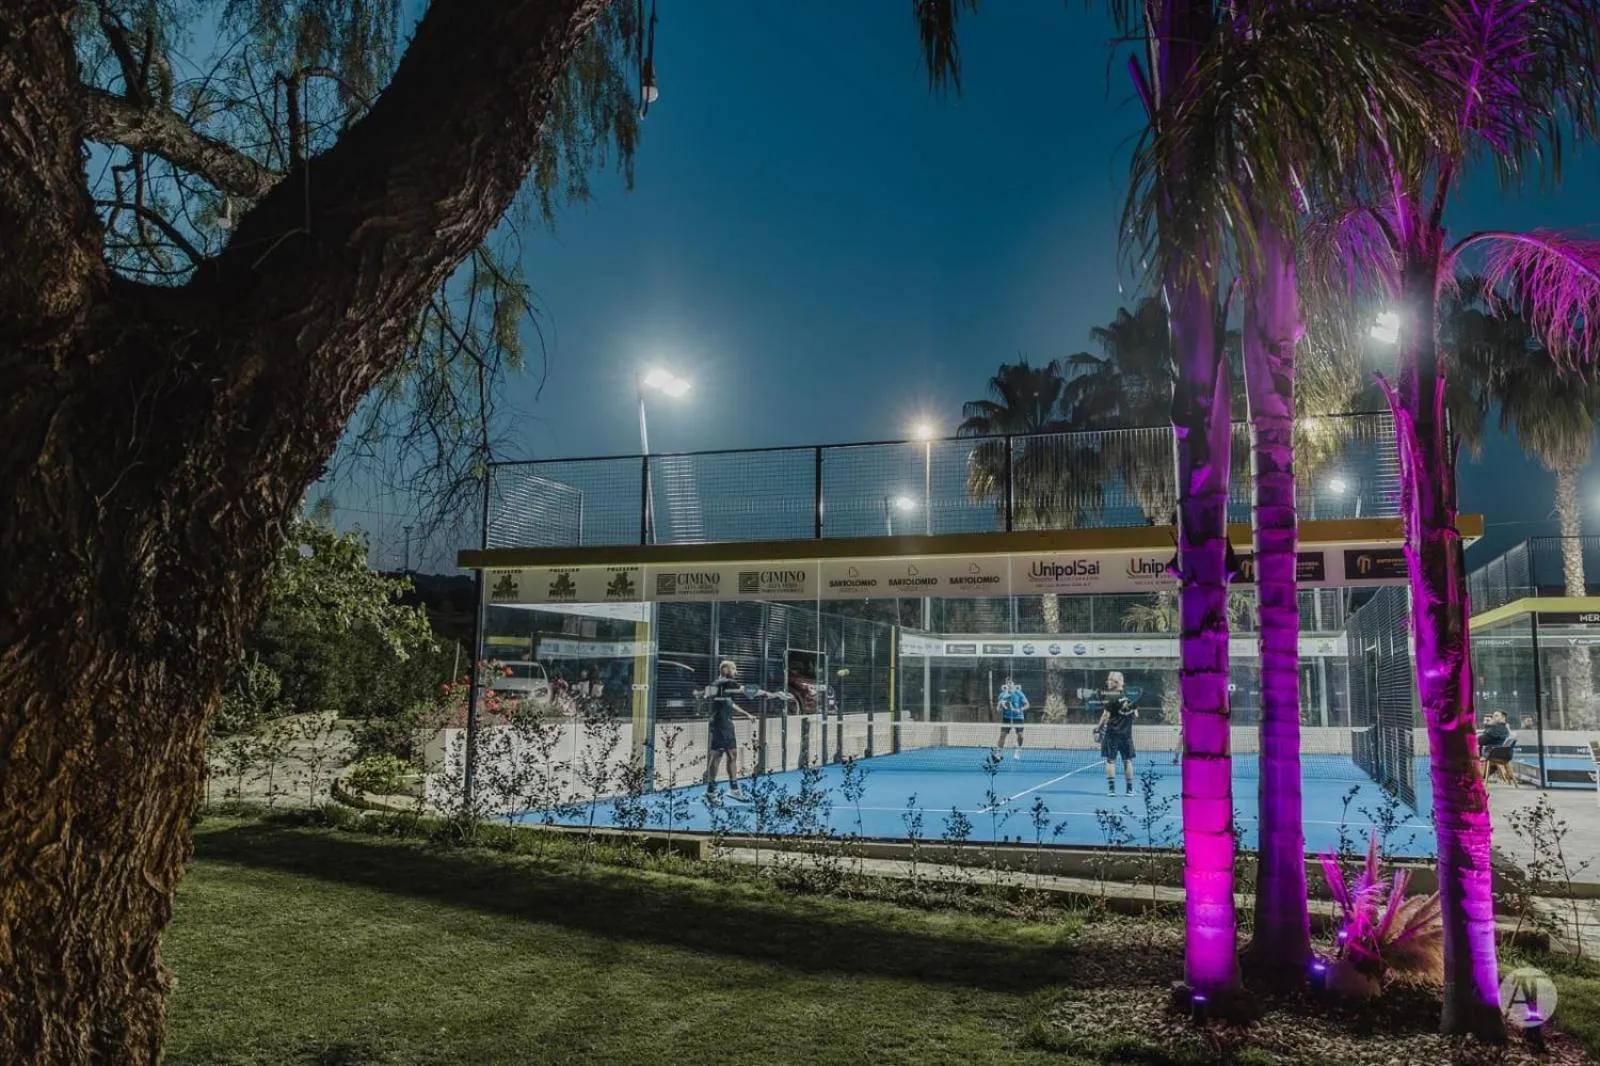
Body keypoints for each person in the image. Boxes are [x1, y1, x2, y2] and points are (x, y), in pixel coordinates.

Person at [701, 660, 774, 804]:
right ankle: (710, 791)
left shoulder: (720, 684)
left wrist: (746, 713)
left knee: (732, 753)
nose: (736, 672)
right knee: (717, 756)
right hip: (720, 724)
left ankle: (734, 790)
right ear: (725, 669)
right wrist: (769, 694)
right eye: (734, 669)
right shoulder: (725, 682)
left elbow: (729, 702)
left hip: (726, 724)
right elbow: (747, 690)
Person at [1096, 671, 1138, 795]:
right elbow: (1136, 715)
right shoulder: (1130, 697)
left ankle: (1111, 790)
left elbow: (1105, 716)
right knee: (1128, 761)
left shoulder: (1111, 697)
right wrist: (1125, 721)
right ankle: (1129, 790)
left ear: (1116, 682)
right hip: (1126, 735)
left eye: (1109, 680)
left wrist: (1098, 729)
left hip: (1112, 735)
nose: (1107, 682)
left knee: (1110, 761)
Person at [997, 678, 1029, 760]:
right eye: (1008, 683)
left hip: (1018, 717)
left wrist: (1020, 709)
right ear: (1006, 684)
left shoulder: (1019, 694)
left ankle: (1018, 749)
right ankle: (998, 752)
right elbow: (998, 709)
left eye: (1011, 683)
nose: (1009, 684)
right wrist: (1001, 704)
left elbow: (1027, 705)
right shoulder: (1002, 695)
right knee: (1002, 735)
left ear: (1014, 684)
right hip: (1007, 718)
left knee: (1020, 735)